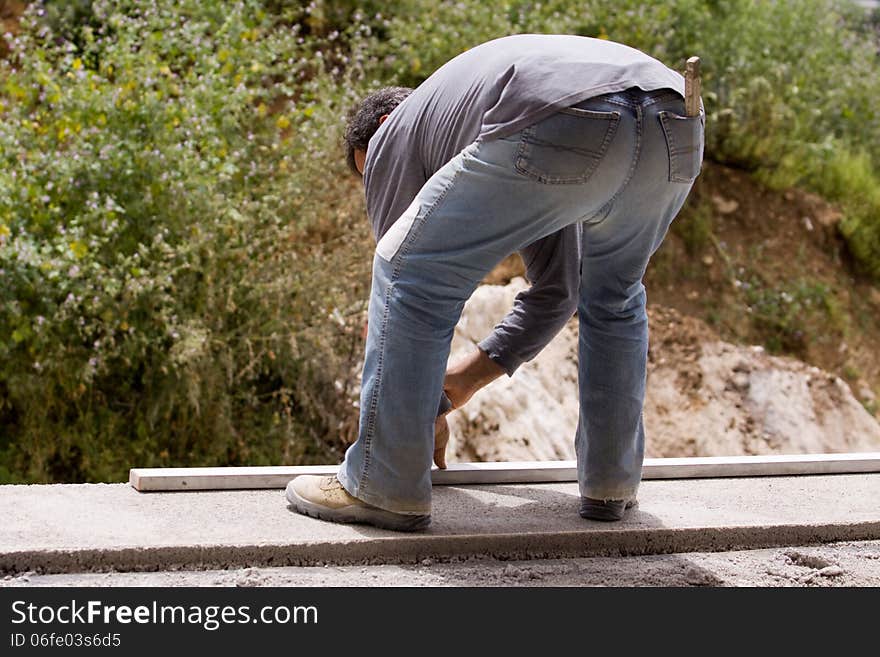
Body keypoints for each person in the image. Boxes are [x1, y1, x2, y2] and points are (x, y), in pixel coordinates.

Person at [286, 33, 704, 531]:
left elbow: (408, 291)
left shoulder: (394, 132)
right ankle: (610, 486)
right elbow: (558, 291)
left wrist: (416, 418)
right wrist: (458, 383)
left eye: (368, 173)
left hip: (565, 116)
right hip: (675, 117)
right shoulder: (473, 116)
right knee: (614, 294)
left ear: (377, 135)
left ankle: (383, 486)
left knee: (404, 269)